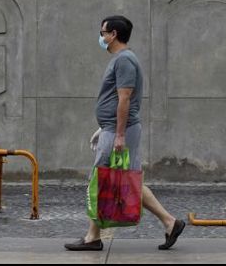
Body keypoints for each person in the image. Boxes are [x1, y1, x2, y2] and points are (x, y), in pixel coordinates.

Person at [65, 15, 185, 252]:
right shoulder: (122, 59)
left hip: (119, 131)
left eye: (103, 32)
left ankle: (92, 237)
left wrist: (118, 134)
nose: (101, 37)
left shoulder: (124, 61)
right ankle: (171, 222)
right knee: (125, 179)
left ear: (113, 35)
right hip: (113, 128)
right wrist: (105, 127)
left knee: (100, 179)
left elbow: (125, 98)